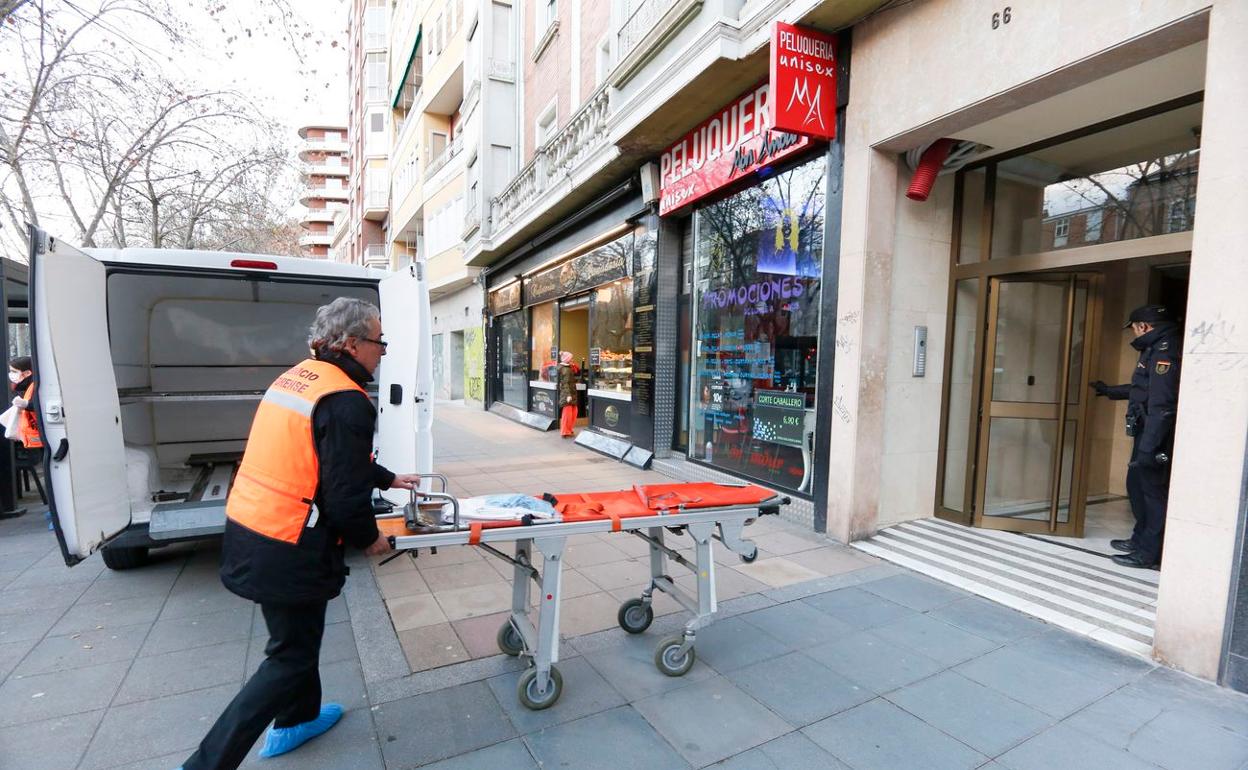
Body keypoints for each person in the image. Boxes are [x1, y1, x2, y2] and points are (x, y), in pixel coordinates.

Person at [180, 298, 420, 770]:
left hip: (253, 526)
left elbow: (320, 454)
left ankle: (297, 720)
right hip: (288, 543)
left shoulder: (299, 377)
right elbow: (343, 493)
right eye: (379, 341)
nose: (383, 351)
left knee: (296, 638)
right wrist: (370, 539)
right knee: (288, 657)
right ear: (352, 343)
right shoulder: (348, 400)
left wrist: (387, 478)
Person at [1092, 304, 1182, 570]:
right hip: (1146, 431)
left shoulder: (1166, 350)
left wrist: (1150, 444)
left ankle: (1149, 554)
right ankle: (1140, 539)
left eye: (1133, 327)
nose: (1133, 332)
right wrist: (1109, 391)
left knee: (1152, 493)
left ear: (1144, 326)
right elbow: (1142, 389)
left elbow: (1162, 404)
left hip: (1155, 435)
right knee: (1137, 486)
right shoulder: (1154, 346)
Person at [8, 356, 43, 451]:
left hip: (40, 437)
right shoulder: (21, 387)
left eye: (14, 371)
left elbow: (41, 407)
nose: (11, 374)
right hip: (31, 438)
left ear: (27, 373)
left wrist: (26, 404)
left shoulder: (36, 386)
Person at [558, 351, 578, 438]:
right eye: (571, 358)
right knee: (568, 414)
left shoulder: (567, 368)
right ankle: (565, 431)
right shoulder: (565, 369)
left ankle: (568, 430)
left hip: (571, 393)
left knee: (573, 412)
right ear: (567, 360)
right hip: (568, 394)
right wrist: (568, 395)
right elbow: (565, 383)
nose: (572, 360)